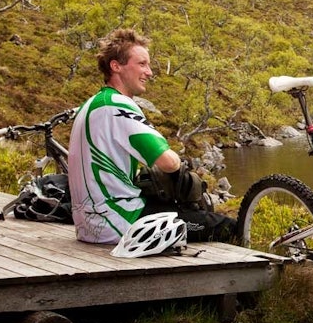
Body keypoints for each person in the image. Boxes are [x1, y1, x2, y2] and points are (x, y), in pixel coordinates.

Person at [68, 28, 234, 246]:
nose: (150, 72)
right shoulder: (117, 105)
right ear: (116, 66)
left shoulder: (93, 103)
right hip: (118, 221)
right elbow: (168, 161)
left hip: (90, 222)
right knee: (224, 227)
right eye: (142, 64)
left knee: (178, 212)